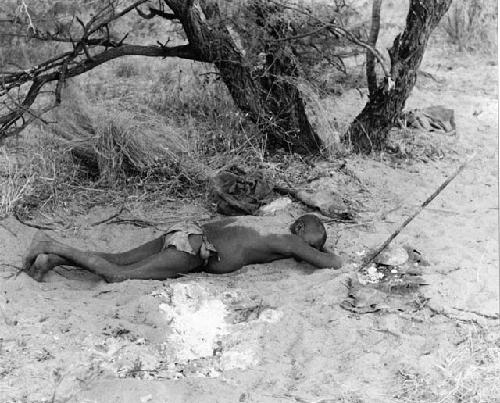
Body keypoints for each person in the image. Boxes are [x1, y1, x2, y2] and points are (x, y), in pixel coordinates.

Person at [23, 214, 343, 283]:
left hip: (187, 231)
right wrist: (328, 254)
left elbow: (219, 223)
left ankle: (52, 260)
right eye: (312, 242)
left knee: (119, 258)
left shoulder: (261, 220)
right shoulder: (288, 239)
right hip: (192, 252)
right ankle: (50, 243)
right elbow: (332, 265)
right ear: (300, 229)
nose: (309, 249)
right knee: (119, 275)